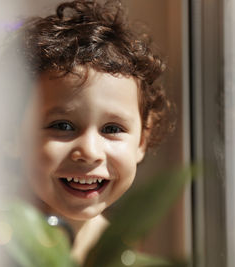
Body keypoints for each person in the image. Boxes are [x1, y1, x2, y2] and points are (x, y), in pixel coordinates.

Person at [14, 0, 172, 263]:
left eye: (112, 129)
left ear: (141, 141)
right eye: (62, 126)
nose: (89, 151)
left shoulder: (124, 251)